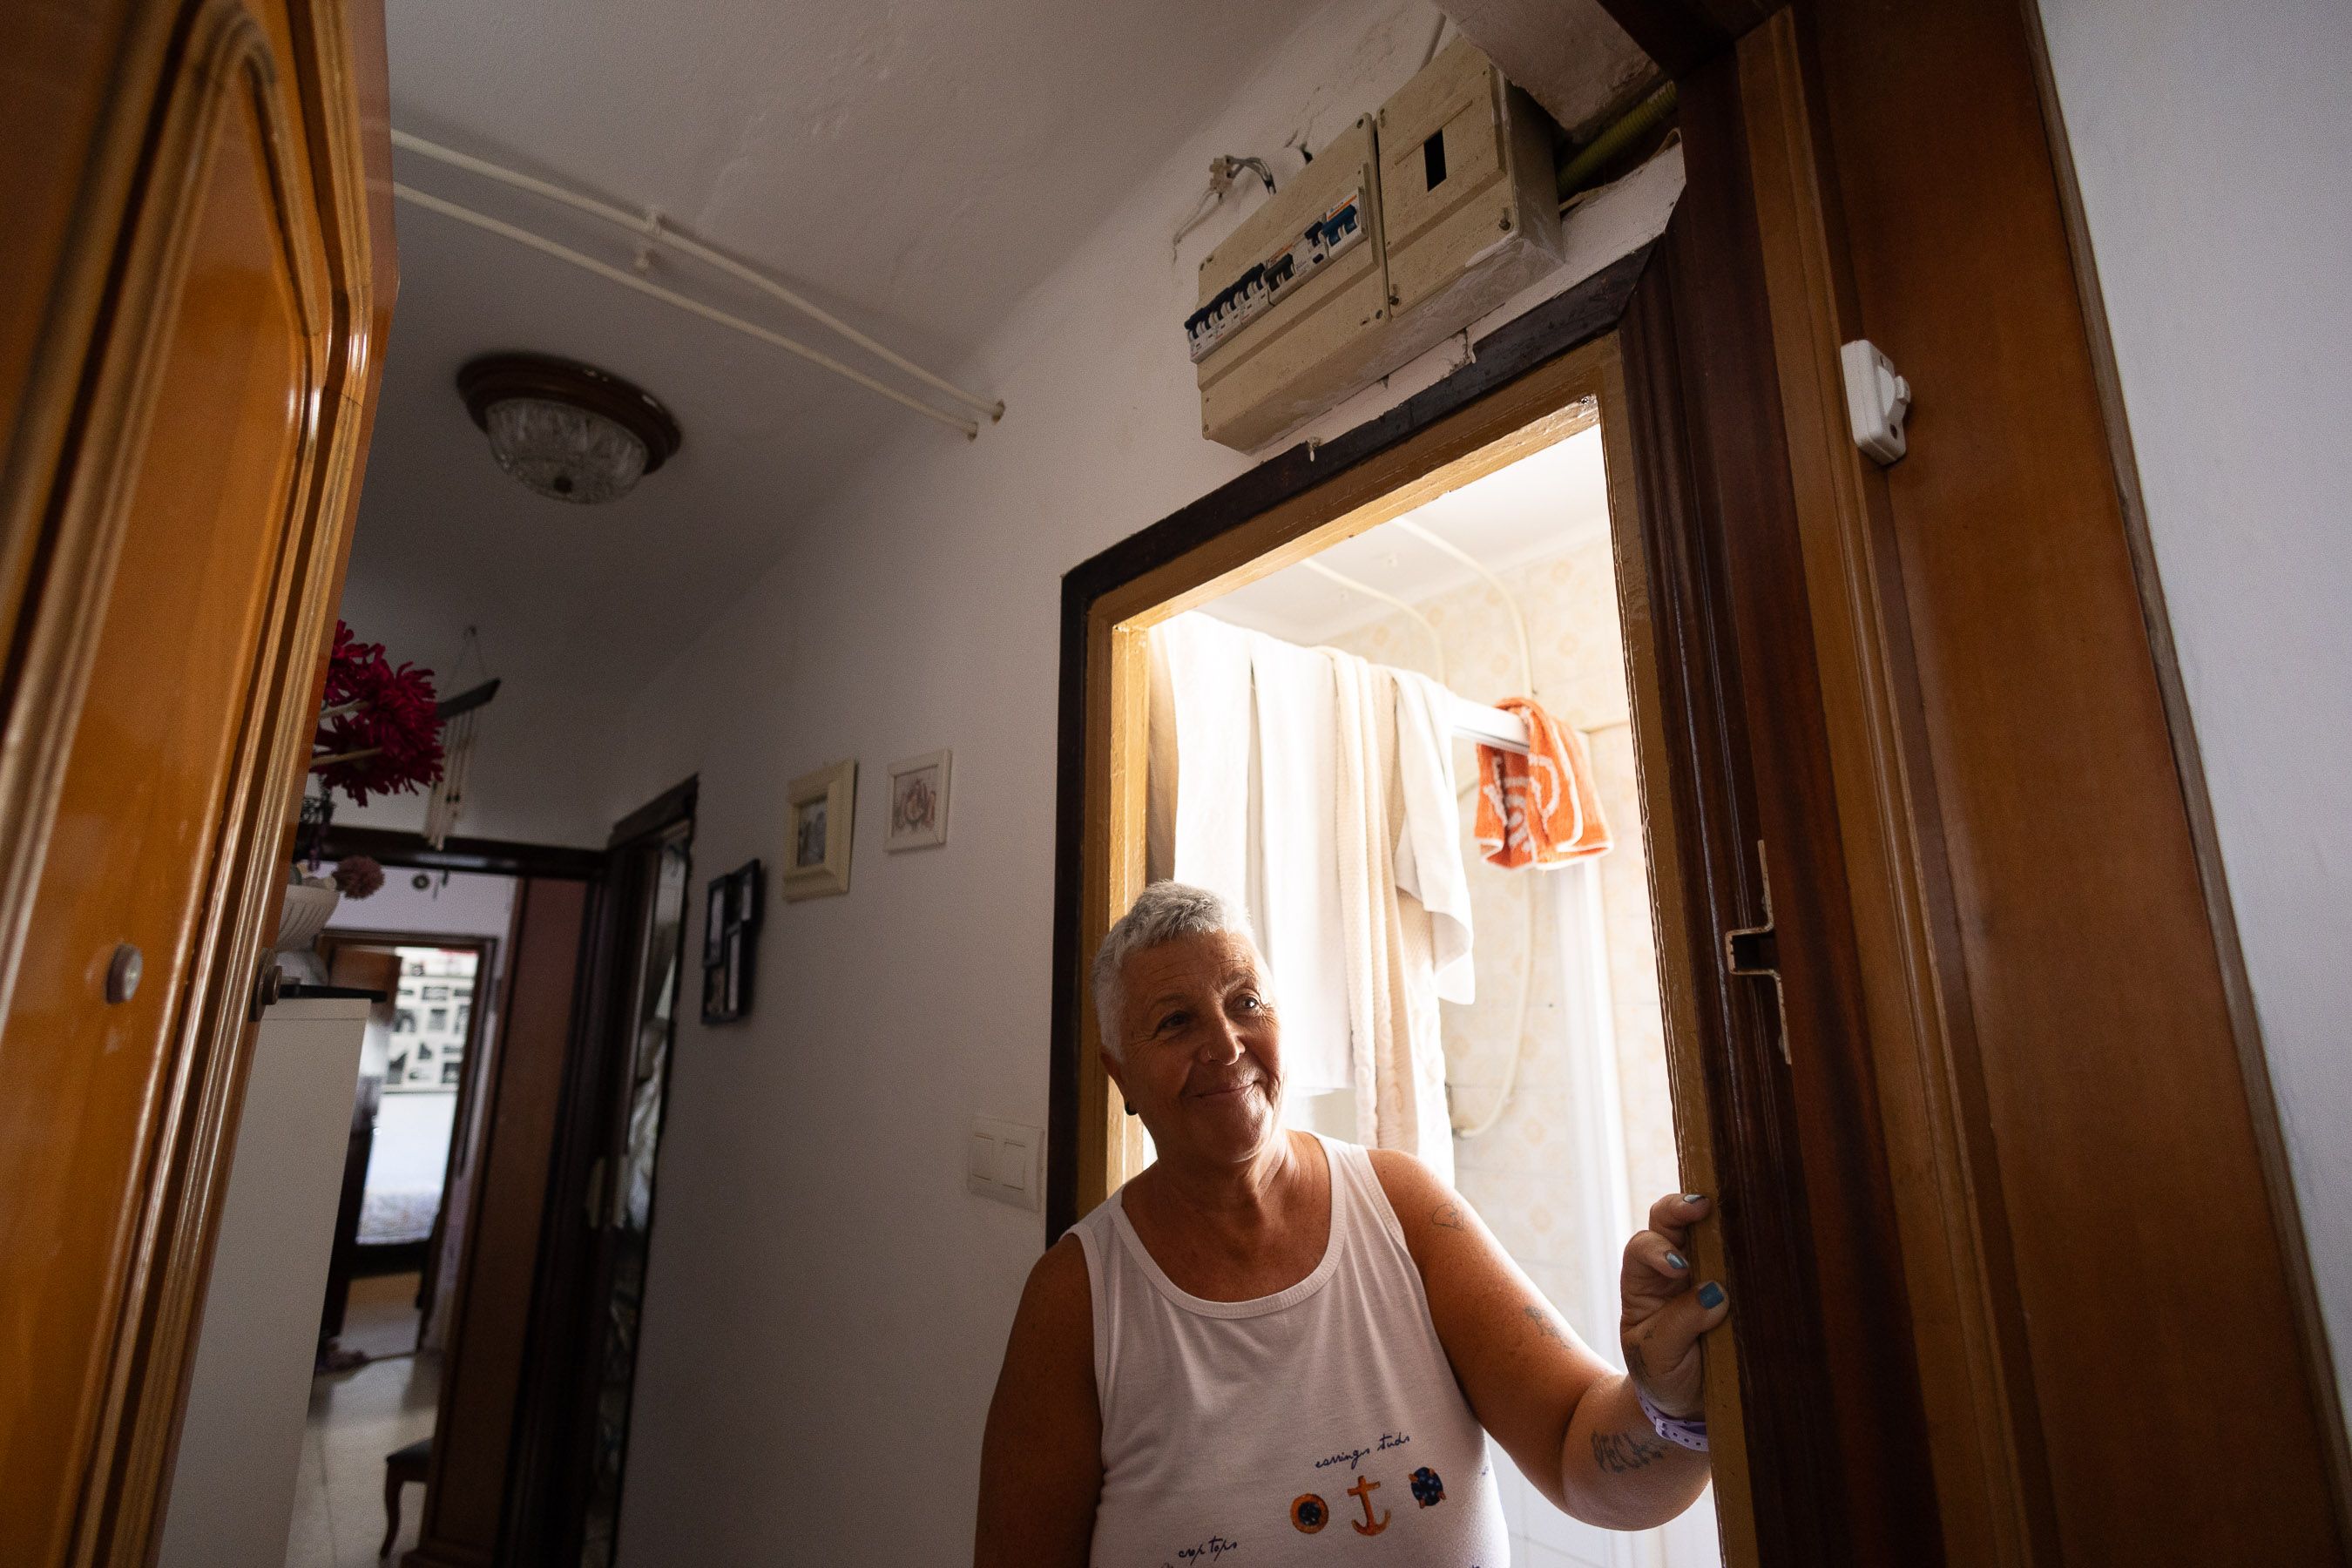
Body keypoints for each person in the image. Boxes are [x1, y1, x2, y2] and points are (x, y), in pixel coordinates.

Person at [975, 882, 1729, 1565]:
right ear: (1122, 1078)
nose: (1226, 1045)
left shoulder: (1402, 1207)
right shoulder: (1077, 1299)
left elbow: (1579, 1454)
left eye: (1246, 1002)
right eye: (1176, 1022)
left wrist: (1667, 1402)